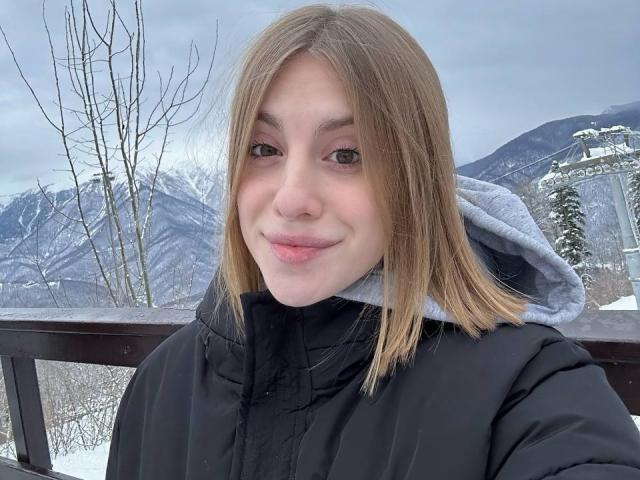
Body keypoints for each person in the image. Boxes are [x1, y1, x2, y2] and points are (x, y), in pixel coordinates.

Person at [105, 4, 640, 479]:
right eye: (264, 148)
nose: (291, 199)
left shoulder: (524, 391)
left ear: (414, 181)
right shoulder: (161, 388)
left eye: (347, 155)